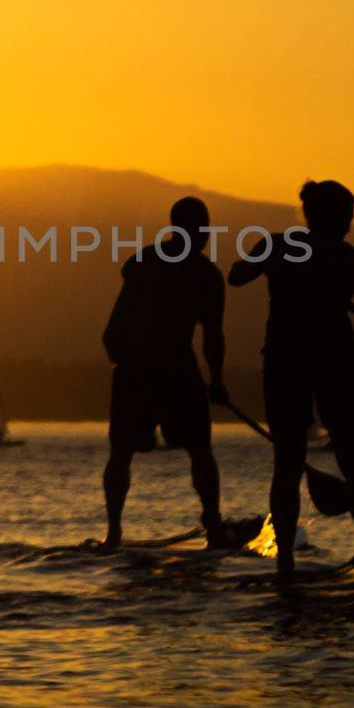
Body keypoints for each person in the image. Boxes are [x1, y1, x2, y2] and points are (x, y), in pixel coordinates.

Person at [229, 180, 354, 583]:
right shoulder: (351, 261)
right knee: (346, 462)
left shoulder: (287, 247)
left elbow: (237, 274)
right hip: (328, 364)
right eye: (346, 217)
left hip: (292, 363)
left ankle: (291, 566)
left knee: (294, 463)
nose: (349, 226)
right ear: (327, 217)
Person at [101, 196, 236, 549]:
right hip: (152, 367)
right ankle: (117, 531)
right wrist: (217, 380)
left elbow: (212, 335)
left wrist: (217, 379)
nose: (203, 235)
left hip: (158, 367)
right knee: (142, 451)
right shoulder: (178, 270)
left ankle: (210, 524)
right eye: (200, 229)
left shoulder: (194, 274)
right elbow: (212, 335)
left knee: (191, 450)